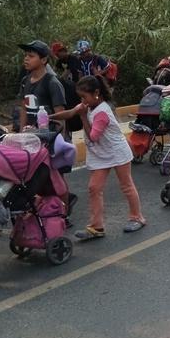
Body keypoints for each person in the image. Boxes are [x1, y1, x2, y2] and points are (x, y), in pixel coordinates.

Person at [52, 75, 145, 240]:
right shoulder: (89, 105)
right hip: (100, 153)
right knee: (94, 188)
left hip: (116, 151)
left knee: (126, 186)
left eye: (84, 97)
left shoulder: (102, 112)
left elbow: (93, 136)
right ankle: (96, 226)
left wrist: (82, 117)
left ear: (96, 93)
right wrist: (48, 117)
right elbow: (70, 113)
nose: (82, 101)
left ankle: (137, 217)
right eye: (81, 97)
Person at [17, 40, 66, 131]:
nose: (26, 59)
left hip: (48, 137)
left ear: (43, 60)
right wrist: (21, 134)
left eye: (31, 56)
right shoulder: (25, 81)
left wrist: (58, 141)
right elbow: (24, 109)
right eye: (26, 55)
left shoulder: (52, 83)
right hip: (31, 137)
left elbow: (60, 116)